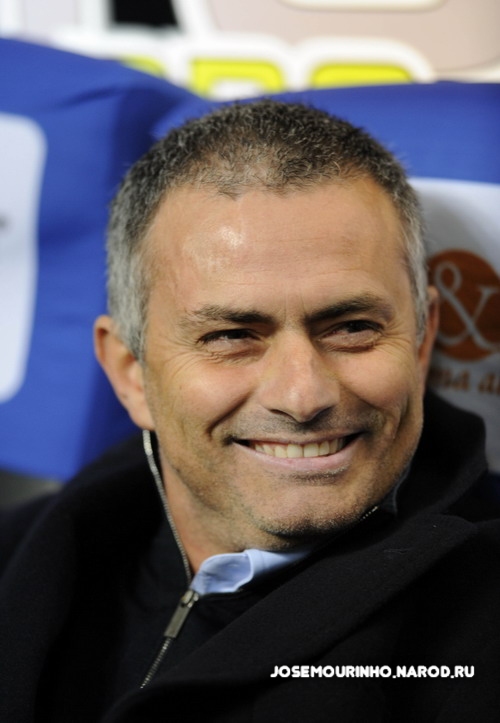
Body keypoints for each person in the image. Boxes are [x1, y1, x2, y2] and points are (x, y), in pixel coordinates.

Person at [1, 99, 499, 722]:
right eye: (232, 336)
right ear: (131, 374)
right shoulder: (19, 555)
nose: (302, 396)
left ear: (422, 345)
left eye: (352, 327)